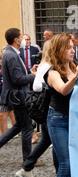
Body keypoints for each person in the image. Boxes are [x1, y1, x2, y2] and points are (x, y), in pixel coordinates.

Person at [45, 33, 78, 177]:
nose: (72, 49)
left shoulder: (72, 65)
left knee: (64, 162)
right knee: (66, 164)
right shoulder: (52, 72)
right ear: (59, 49)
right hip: (57, 120)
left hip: (73, 120)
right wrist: (76, 76)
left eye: (72, 46)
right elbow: (63, 90)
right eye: (68, 47)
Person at [15, 39, 59, 177]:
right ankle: (59, 174)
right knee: (54, 140)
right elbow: (37, 86)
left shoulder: (45, 64)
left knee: (47, 140)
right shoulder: (47, 66)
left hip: (47, 109)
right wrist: (51, 84)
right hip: (47, 109)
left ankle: (26, 168)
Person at [0, 28, 37, 167]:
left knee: (17, 127)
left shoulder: (11, 53)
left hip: (18, 96)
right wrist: (33, 76)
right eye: (21, 37)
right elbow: (17, 79)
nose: (22, 39)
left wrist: (30, 72)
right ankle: (28, 161)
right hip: (19, 97)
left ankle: (28, 159)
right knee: (27, 128)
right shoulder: (11, 55)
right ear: (16, 40)